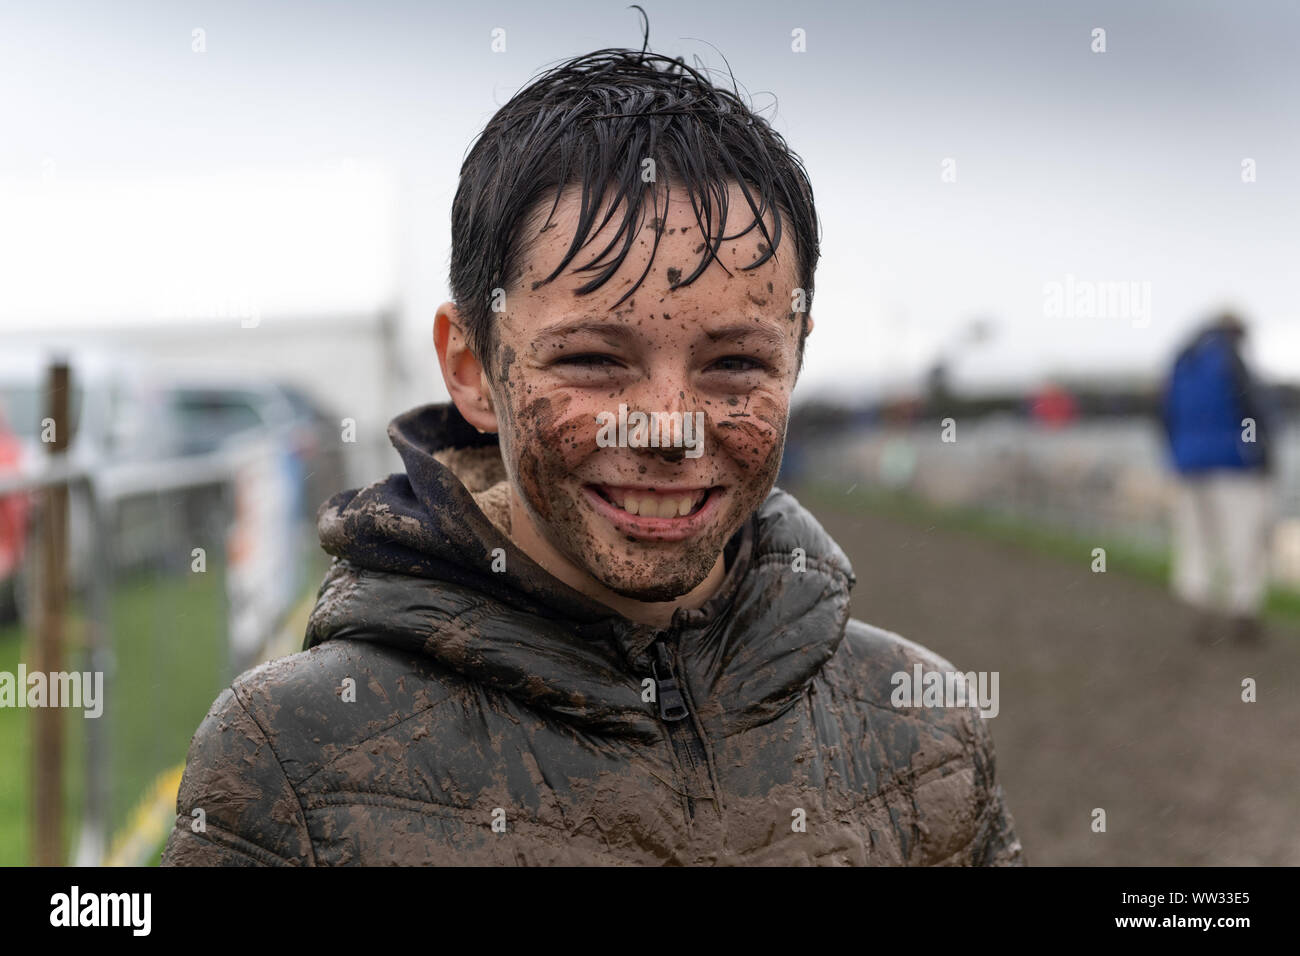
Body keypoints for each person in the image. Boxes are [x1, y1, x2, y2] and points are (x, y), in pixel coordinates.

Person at [161, 39, 1023, 866]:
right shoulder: (293, 762)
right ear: (471, 367)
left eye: (735, 364)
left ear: (796, 357)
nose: (665, 426)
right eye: (592, 360)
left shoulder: (923, 730)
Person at [1160, 312, 1277, 645]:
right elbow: (1253, 411)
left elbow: (1165, 414)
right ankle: (1243, 610)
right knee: (1243, 539)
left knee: (1196, 539)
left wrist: (1176, 455)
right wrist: (1263, 456)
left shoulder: (1182, 359)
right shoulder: (1231, 358)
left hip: (1188, 465)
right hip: (1235, 466)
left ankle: (1199, 606)